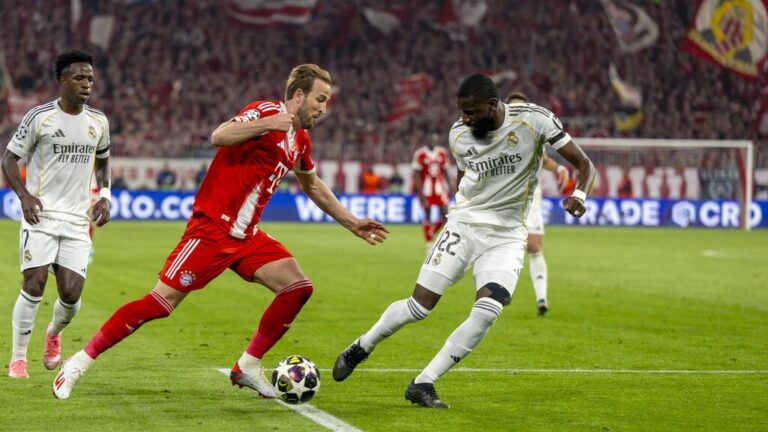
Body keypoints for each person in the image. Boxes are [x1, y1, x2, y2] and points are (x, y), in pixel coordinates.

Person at [52, 64, 390, 400]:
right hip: (212, 229)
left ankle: (247, 365)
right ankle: (79, 362)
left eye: (327, 101)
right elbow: (219, 135)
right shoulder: (267, 111)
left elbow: (312, 184)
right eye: (320, 99)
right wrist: (268, 123)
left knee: (297, 287)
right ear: (298, 96)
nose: (323, 108)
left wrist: (352, 222)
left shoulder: (300, 140)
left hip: (247, 236)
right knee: (160, 302)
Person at [332, 74, 594, 408]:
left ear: (493, 105)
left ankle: (423, 382)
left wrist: (580, 193)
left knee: (488, 310)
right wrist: (460, 217)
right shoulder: (459, 134)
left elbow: (584, 163)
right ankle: (362, 346)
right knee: (419, 307)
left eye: (471, 112)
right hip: (464, 227)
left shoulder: (535, 120)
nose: (465, 119)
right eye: (461, 111)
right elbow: (461, 179)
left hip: (507, 236)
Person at [1, 49, 112, 379]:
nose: (86, 83)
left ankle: (53, 333)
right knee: (33, 283)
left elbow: (104, 162)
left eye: (90, 78)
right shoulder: (40, 118)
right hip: (42, 216)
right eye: (79, 77)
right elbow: (8, 159)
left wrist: (105, 195)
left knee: (71, 294)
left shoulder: (98, 122)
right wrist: (23, 196)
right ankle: (18, 358)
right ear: (62, 81)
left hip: (78, 220)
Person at [505, 92, 570, 316]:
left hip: (531, 197)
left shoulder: (534, 133)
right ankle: (501, 286)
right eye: (513, 107)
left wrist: (560, 168)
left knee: (534, 246)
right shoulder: (498, 134)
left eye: (521, 107)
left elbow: (544, 158)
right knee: (505, 244)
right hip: (504, 198)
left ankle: (541, 298)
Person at [411, 133, 450, 251]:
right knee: (427, 215)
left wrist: (449, 185)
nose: (433, 142)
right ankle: (428, 243)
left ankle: (431, 234)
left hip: (439, 188)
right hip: (426, 189)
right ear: (427, 141)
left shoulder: (442, 152)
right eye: (431, 140)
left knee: (446, 216)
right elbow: (416, 174)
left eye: (435, 140)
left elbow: (446, 170)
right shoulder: (420, 154)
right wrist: (420, 192)